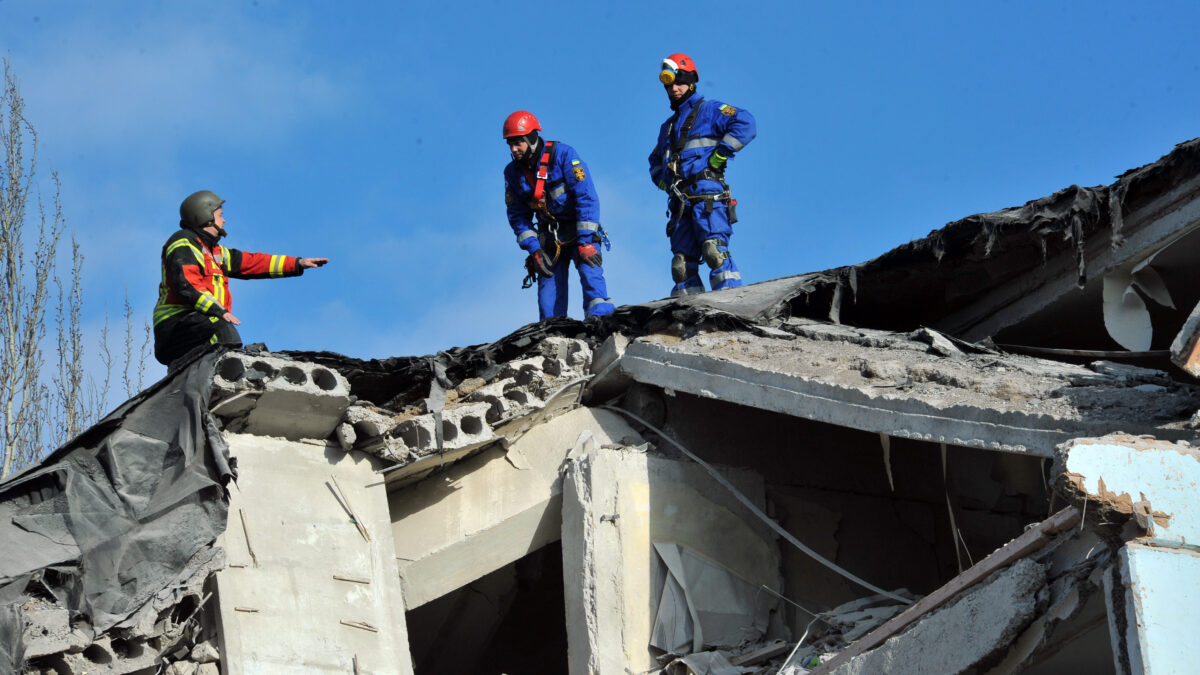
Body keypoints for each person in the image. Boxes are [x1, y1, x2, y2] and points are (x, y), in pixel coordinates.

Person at [153, 190, 328, 367]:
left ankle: (205, 377)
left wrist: (298, 263)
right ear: (206, 217)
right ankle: (225, 376)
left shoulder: (216, 253)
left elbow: (252, 262)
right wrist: (219, 311)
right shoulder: (183, 242)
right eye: (220, 215)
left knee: (220, 333)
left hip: (198, 323)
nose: (224, 220)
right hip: (175, 325)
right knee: (223, 331)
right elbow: (187, 284)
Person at [648, 53, 756, 297]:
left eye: (679, 83)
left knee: (714, 251)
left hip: (707, 195)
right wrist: (665, 183)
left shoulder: (710, 110)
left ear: (692, 82)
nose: (674, 89)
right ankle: (688, 317)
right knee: (681, 265)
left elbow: (746, 123)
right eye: (670, 85)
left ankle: (730, 302)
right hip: (680, 203)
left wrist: (721, 154)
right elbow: (654, 162)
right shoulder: (667, 128)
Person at [503, 110, 615, 320]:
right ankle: (554, 335)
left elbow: (586, 196)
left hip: (579, 230)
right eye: (510, 144)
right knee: (548, 302)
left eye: (518, 142)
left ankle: (601, 321)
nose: (513, 149)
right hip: (550, 240)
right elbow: (518, 217)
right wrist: (535, 251)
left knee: (591, 276)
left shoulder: (564, 155)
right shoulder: (512, 174)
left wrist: (586, 242)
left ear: (532, 139)